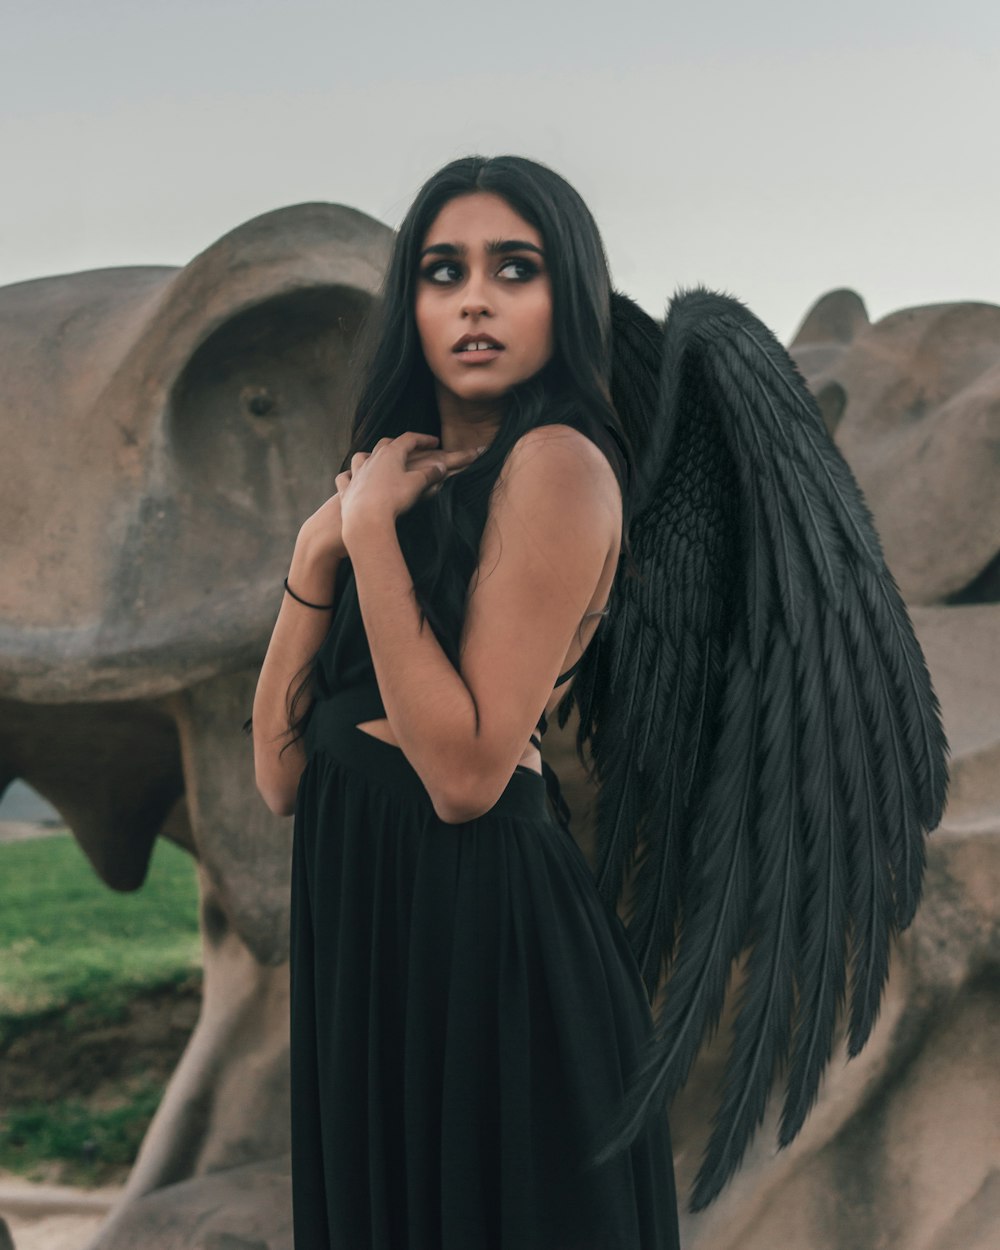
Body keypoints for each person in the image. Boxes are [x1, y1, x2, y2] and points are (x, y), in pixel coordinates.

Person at [251, 154, 681, 1248]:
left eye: (514, 268)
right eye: (444, 271)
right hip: (374, 944)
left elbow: (462, 775)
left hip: (487, 957)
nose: (476, 297)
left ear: (563, 296)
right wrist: (318, 552)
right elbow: (280, 769)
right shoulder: (391, 487)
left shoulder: (557, 465)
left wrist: (367, 540)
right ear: (411, 303)